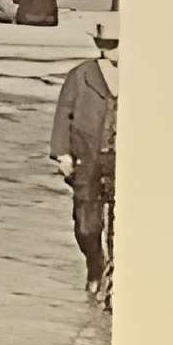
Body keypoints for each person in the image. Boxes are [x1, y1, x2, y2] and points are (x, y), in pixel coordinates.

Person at [50, 26, 119, 307]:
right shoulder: (81, 76)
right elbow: (63, 114)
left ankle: (114, 276)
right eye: (110, 44)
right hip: (87, 158)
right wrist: (62, 154)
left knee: (121, 224)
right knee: (86, 225)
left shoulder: (144, 74)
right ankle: (95, 263)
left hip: (122, 159)